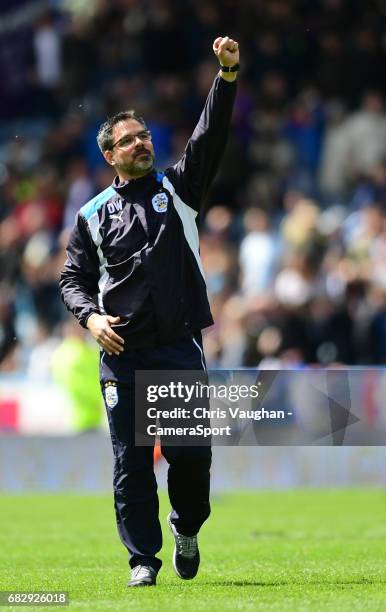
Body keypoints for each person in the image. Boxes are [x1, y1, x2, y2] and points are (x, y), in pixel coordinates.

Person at [60, 36, 239, 587]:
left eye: (144, 136)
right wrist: (90, 317)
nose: (141, 144)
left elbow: (209, 138)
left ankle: (187, 526)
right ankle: (143, 560)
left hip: (176, 348)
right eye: (128, 140)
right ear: (109, 155)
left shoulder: (179, 190)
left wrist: (226, 77)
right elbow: (73, 279)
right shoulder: (91, 216)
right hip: (123, 355)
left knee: (189, 457)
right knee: (130, 463)